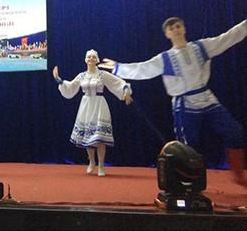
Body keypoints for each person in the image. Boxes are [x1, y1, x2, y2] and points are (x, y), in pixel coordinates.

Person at [98, 17, 247, 187]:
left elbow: (227, 38)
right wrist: (119, 68)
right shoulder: (166, 58)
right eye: (171, 28)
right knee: (187, 148)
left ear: (184, 28)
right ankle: (189, 184)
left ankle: (238, 175)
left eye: (178, 26)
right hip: (185, 104)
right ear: (167, 34)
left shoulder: (201, 47)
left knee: (234, 131)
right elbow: (143, 69)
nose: (175, 29)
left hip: (207, 99)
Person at [53, 49, 133, 176]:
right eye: (89, 57)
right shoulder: (81, 76)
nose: (91, 59)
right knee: (88, 136)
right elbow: (71, 87)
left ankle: (101, 165)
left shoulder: (102, 75)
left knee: (99, 138)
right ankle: (91, 161)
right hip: (86, 105)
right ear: (85, 59)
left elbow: (117, 82)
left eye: (93, 57)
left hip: (99, 104)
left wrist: (126, 91)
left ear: (97, 60)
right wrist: (59, 80)